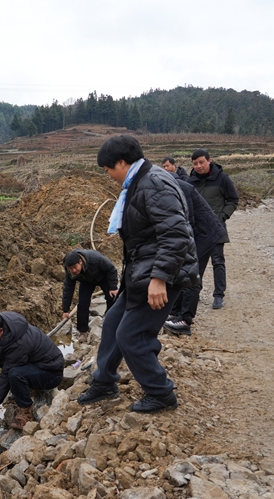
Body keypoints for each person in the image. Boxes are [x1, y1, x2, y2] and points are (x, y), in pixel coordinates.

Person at [77, 135, 198, 413]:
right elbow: (141, 241)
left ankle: (160, 393)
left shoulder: (153, 183)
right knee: (112, 325)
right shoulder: (137, 182)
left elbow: (176, 235)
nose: (108, 175)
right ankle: (105, 382)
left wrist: (159, 279)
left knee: (132, 335)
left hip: (163, 275)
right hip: (142, 273)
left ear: (121, 162)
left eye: (108, 169)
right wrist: (126, 282)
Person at [162, 166, 226, 335]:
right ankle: (175, 312)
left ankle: (185, 320)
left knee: (191, 274)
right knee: (180, 272)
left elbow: (187, 221)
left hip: (205, 235)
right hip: (196, 234)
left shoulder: (181, 188)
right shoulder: (171, 187)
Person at [0, 311, 64, 429]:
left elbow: (6, 375)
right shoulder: (3, 330)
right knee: (14, 374)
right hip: (36, 365)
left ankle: (25, 413)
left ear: (0, 331)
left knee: (15, 374)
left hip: (51, 373)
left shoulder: (18, 344)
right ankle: (27, 386)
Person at [187, 148, 239, 310]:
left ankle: (218, 295)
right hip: (197, 231)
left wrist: (222, 217)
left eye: (201, 162)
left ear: (209, 161)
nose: (198, 166)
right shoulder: (191, 181)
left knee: (217, 262)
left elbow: (233, 199)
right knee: (194, 264)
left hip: (215, 230)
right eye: (195, 163)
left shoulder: (222, 179)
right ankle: (195, 292)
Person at [61, 248, 119, 341]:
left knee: (112, 297)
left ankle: (110, 322)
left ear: (80, 262)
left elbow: (111, 269)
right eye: (71, 269)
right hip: (86, 281)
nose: (74, 270)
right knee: (83, 304)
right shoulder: (70, 271)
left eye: (75, 267)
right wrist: (65, 310)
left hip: (103, 276)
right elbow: (68, 289)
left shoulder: (95, 259)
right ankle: (83, 331)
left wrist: (113, 287)